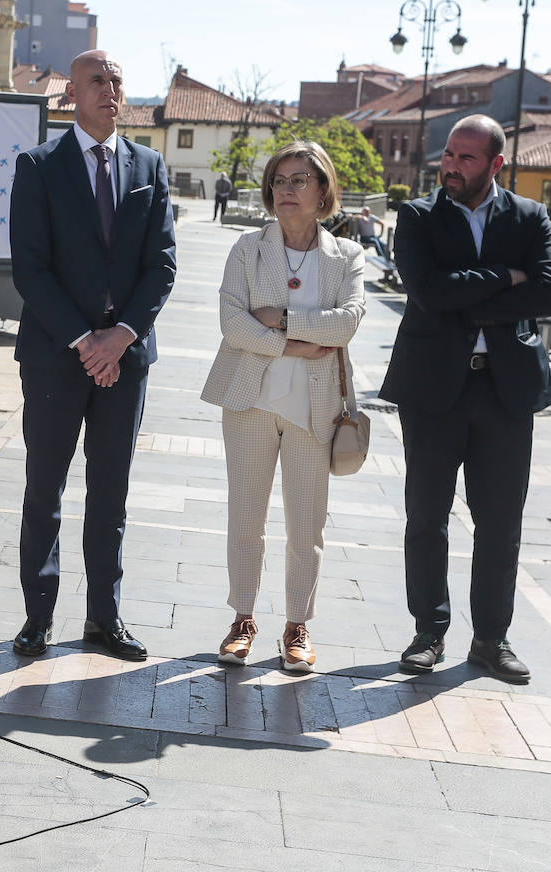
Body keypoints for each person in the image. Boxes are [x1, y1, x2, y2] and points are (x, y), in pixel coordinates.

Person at [380, 114, 551, 684]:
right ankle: (428, 633)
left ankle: (490, 639)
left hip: (505, 391)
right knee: (426, 516)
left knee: (501, 522)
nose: (450, 166)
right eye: (449, 156)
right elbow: (427, 292)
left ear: (495, 164)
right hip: (433, 388)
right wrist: (506, 279)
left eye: (465, 158)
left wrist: (470, 292)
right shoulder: (416, 216)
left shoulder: (530, 217)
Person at [9, 49, 177, 661]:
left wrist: (122, 335)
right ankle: (38, 616)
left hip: (126, 360)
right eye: (96, 81)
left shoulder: (150, 166)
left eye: (116, 80)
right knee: (44, 488)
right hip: (58, 356)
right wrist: (86, 340)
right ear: (71, 97)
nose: (110, 89)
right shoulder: (38, 165)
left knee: (111, 492)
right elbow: (31, 265)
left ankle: (104, 618)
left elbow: (161, 265)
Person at [201, 142, 365, 671]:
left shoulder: (346, 257)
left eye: (299, 180)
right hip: (250, 400)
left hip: (317, 407)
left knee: (306, 522)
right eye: (279, 180)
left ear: (323, 191)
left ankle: (297, 624)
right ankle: (242, 619)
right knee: (246, 514)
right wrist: (293, 344)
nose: (286, 190)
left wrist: (281, 318)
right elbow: (233, 322)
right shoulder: (248, 249)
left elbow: (346, 324)